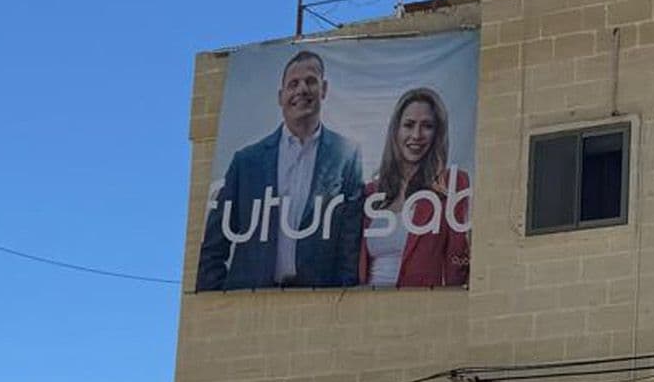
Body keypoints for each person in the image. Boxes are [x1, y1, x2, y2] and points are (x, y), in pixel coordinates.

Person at [196, 50, 365, 290]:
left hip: (317, 303)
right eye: (293, 84)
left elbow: (350, 245)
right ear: (280, 96)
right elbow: (214, 246)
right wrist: (219, 300)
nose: (301, 90)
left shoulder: (346, 156)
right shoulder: (246, 162)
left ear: (324, 89)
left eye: (310, 81)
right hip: (248, 302)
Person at [359, 88, 471, 288]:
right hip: (366, 307)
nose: (416, 135)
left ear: (438, 133)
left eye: (427, 126)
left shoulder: (452, 183)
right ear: (396, 131)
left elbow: (457, 257)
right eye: (409, 125)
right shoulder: (369, 193)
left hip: (417, 308)